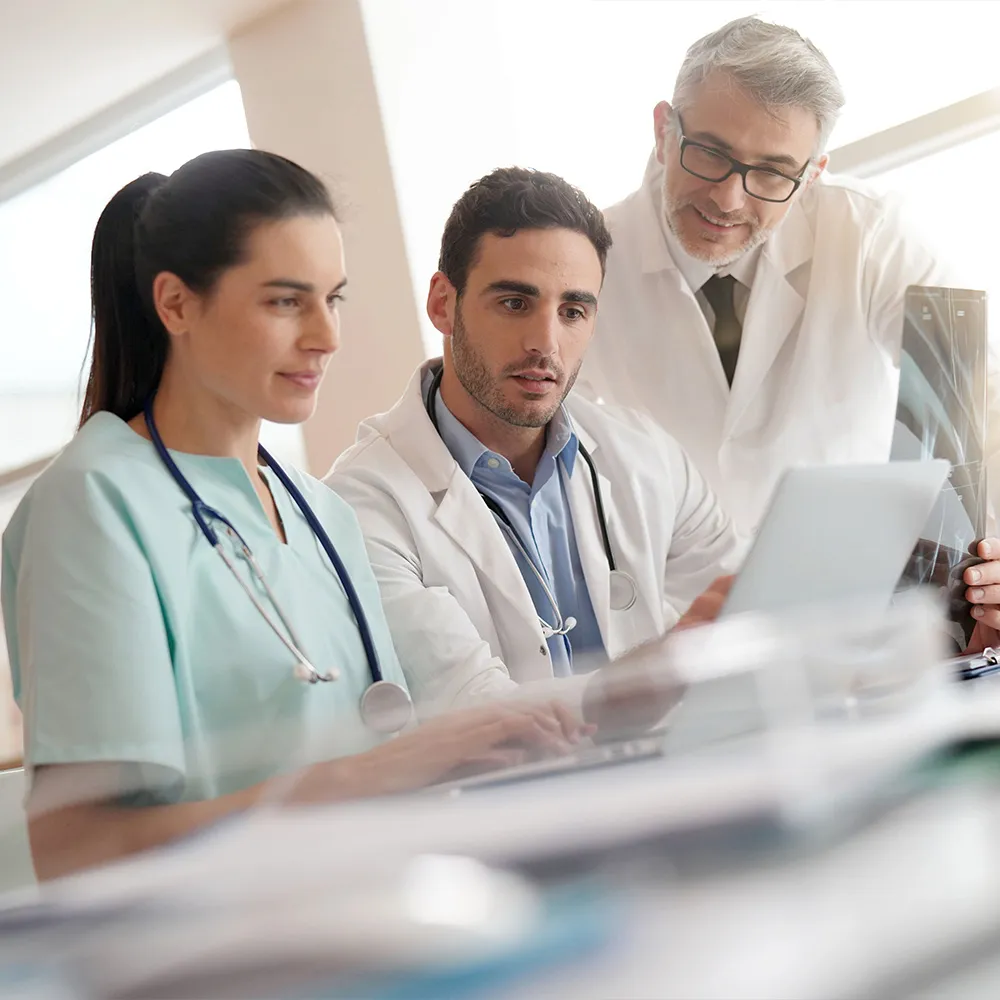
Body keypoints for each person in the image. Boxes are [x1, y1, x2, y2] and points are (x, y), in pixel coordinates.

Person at [0, 150, 585, 881]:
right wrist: (374, 775)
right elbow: (76, 849)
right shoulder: (95, 505)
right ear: (176, 304)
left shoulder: (322, 514)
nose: (326, 335)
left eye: (332, 298)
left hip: (384, 913)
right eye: (284, 301)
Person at [327, 167, 741, 714]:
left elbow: (747, 614)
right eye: (515, 303)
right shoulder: (360, 505)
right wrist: (672, 661)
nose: (545, 343)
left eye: (573, 311)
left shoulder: (644, 454)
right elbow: (485, 716)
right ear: (443, 304)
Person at [580, 16, 1000, 538]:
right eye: (711, 152)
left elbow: (978, 400)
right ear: (664, 131)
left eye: (772, 173)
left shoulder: (874, 234)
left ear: (811, 175)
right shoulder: (588, 260)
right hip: (680, 592)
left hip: (851, 577)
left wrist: (980, 557)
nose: (727, 200)